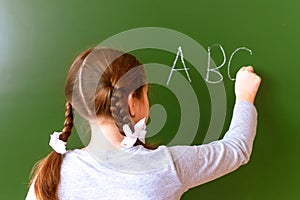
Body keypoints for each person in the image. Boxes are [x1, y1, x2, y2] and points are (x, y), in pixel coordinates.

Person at [25, 47, 261, 200]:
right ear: (132, 103)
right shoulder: (164, 167)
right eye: (146, 93)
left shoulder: (49, 175)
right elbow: (237, 149)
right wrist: (245, 97)